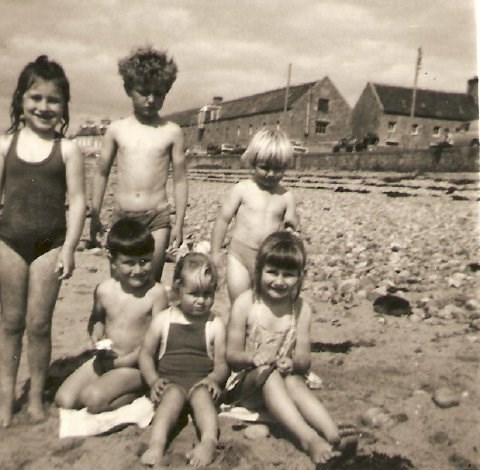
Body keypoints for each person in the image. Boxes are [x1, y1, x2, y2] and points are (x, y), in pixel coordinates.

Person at [0, 56, 86, 426]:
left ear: (64, 106)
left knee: (38, 324)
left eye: (53, 100)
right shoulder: (5, 145)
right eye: (35, 97)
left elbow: (79, 201)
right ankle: (6, 397)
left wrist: (69, 247)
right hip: (8, 242)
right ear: (20, 99)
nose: (43, 107)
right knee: (10, 323)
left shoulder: (68, 150)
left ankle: (35, 395)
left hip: (50, 244)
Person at [226, 231, 346, 466]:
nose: (279, 281)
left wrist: (293, 363)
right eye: (272, 272)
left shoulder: (301, 309)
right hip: (246, 385)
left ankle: (333, 434)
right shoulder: (246, 303)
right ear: (259, 270)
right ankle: (308, 439)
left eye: (288, 275)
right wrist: (252, 358)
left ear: (300, 277)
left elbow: (304, 359)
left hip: (283, 382)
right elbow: (231, 355)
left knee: (293, 380)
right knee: (269, 375)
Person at [90, 46, 188, 282]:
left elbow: (181, 179)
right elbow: (101, 173)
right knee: (120, 282)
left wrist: (180, 223)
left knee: (151, 282)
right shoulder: (117, 130)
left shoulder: (172, 132)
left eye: (159, 93)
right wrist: (94, 215)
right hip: (122, 217)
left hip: (157, 217)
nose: (151, 100)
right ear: (128, 89)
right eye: (144, 92)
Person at [55, 218, 169, 413]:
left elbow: (158, 341)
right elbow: (97, 319)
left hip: (137, 365)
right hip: (106, 359)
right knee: (64, 400)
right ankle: (112, 387)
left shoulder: (156, 294)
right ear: (112, 260)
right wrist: (96, 337)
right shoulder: (104, 290)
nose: (138, 270)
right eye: (129, 263)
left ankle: (137, 392)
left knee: (93, 400)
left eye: (145, 261)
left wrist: (125, 361)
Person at [139, 252, 228, 467]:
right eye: (194, 294)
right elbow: (146, 354)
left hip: (201, 382)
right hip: (171, 383)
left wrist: (214, 379)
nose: (201, 300)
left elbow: (222, 363)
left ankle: (208, 442)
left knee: (202, 399)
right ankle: (157, 444)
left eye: (208, 294)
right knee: (171, 399)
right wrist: (153, 381)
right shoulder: (164, 319)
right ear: (178, 289)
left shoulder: (214, 324)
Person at [210, 128, 298, 309]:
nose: (271, 174)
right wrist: (215, 252)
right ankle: (235, 335)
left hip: (270, 259)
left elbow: (291, 224)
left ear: (286, 165)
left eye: (278, 168)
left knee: (264, 306)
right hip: (239, 255)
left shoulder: (286, 196)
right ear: (253, 162)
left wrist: (292, 225)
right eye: (265, 167)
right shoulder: (242, 189)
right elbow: (223, 220)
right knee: (239, 304)